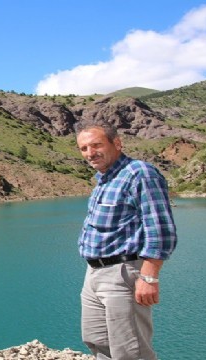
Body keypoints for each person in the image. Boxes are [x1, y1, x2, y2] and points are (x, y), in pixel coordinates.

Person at [74, 119, 177, 360]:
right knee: (97, 340)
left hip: (123, 273)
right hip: (94, 273)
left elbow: (160, 229)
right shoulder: (104, 178)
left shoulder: (139, 173)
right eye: (84, 148)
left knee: (130, 350)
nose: (90, 153)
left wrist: (149, 276)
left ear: (117, 143)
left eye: (96, 145)